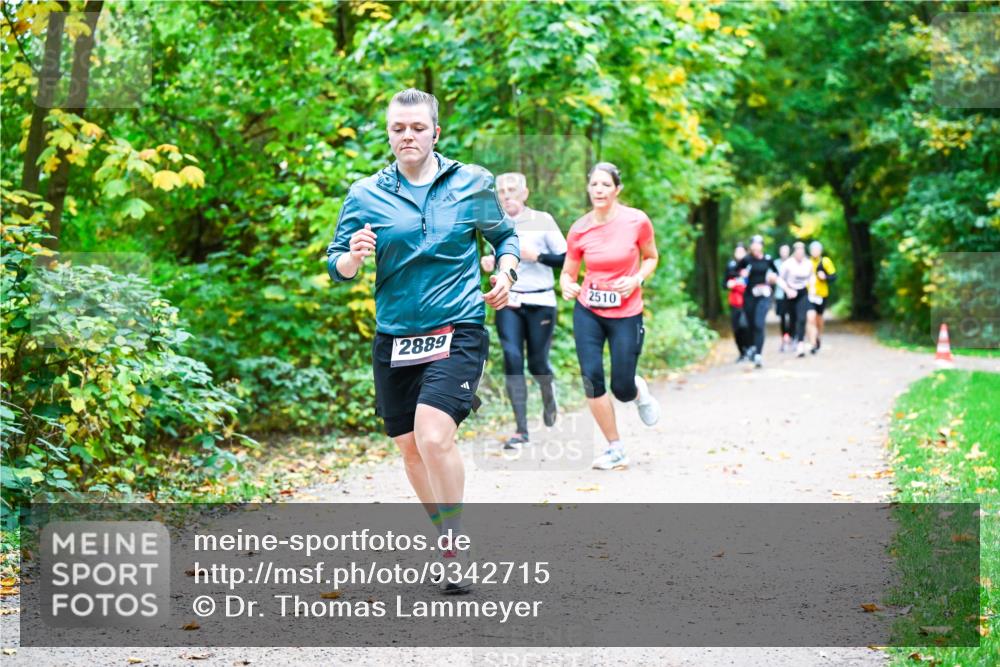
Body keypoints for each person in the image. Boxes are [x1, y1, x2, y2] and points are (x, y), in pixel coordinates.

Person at [326, 88, 519, 593]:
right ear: (388, 133)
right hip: (395, 336)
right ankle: (442, 534)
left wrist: (507, 271)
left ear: (435, 132)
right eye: (397, 128)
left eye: (416, 127)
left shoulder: (471, 182)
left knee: (434, 436)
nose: (407, 136)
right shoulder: (365, 193)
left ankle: (454, 546)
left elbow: (504, 237)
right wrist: (352, 257)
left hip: (457, 327)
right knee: (410, 448)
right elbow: (336, 263)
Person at [560, 162, 660, 471]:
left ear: (617, 190)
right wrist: (566, 285)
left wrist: (636, 280)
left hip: (627, 312)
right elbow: (568, 272)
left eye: (605, 185)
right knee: (592, 378)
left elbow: (651, 257)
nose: (599, 190)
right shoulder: (579, 228)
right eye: (594, 185)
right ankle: (615, 448)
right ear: (588, 189)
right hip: (589, 311)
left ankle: (637, 390)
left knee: (622, 388)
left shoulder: (636, 221)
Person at [480, 172, 566, 450]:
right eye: (502, 191)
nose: (507, 195)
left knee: (537, 364)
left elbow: (566, 259)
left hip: (540, 302)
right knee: (512, 359)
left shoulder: (543, 221)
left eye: (512, 190)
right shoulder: (493, 224)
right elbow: (495, 261)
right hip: (509, 301)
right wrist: (487, 262)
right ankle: (521, 430)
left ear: (525, 193)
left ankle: (548, 394)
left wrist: (536, 256)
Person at [737, 235, 790, 369]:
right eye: (753, 244)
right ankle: (752, 347)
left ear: (762, 246)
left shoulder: (768, 259)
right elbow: (735, 272)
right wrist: (741, 275)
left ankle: (758, 355)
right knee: (749, 324)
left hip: (764, 296)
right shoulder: (746, 260)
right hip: (749, 296)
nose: (756, 247)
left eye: (758, 244)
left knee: (759, 323)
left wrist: (772, 279)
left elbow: (776, 274)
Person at [778, 241, 814, 357]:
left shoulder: (808, 263)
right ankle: (792, 337)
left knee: (802, 318)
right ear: (794, 252)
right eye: (798, 251)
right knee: (792, 319)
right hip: (789, 293)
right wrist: (787, 290)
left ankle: (800, 343)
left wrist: (812, 288)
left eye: (802, 251)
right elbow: (780, 279)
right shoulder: (787, 264)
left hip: (802, 292)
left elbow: (811, 277)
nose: (800, 253)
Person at [806, 241, 837, 354]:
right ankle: (812, 343)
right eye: (813, 250)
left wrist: (825, 277)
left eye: (817, 250)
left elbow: (834, 276)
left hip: (822, 294)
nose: (815, 252)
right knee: (810, 318)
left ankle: (818, 336)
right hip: (809, 294)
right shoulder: (807, 262)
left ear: (820, 251)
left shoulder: (825, 261)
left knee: (819, 318)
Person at [723, 243, 751, 362]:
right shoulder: (731, 266)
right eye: (737, 251)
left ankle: (750, 348)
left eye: (741, 251)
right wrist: (730, 284)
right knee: (736, 329)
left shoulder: (750, 265)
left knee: (745, 325)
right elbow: (724, 283)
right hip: (735, 302)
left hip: (748, 301)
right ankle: (742, 352)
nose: (739, 254)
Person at [774, 244, 791, 352]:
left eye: (786, 251)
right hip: (780, 295)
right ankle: (784, 338)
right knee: (783, 318)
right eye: (782, 251)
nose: (784, 253)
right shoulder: (775, 263)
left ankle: (791, 337)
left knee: (792, 318)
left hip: (792, 295)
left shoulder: (793, 263)